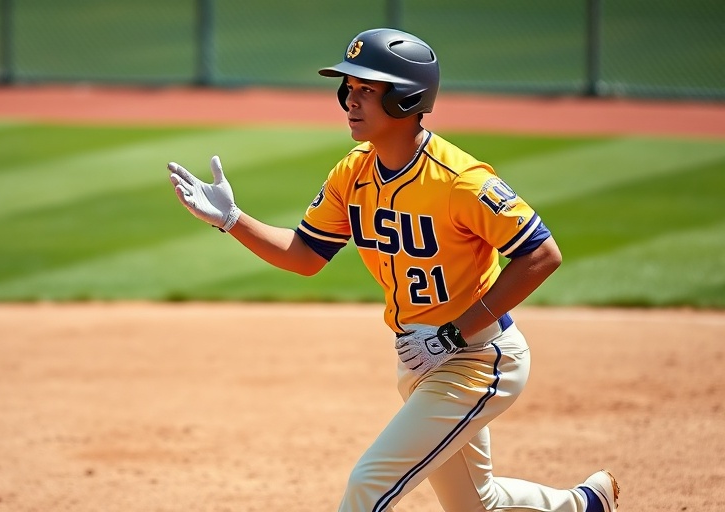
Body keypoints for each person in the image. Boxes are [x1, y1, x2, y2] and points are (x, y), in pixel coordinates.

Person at [167, 27, 619, 512]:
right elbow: (304, 256)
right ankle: (584, 506)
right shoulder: (353, 172)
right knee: (476, 505)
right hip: (418, 359)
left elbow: (542, 254)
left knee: (368, 484)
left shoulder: (460, 182)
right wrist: (233, 221)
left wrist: (453, 336)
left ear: (407, 99)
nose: (350, 101)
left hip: (478, 357)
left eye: (367, 90)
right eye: (349, 89)